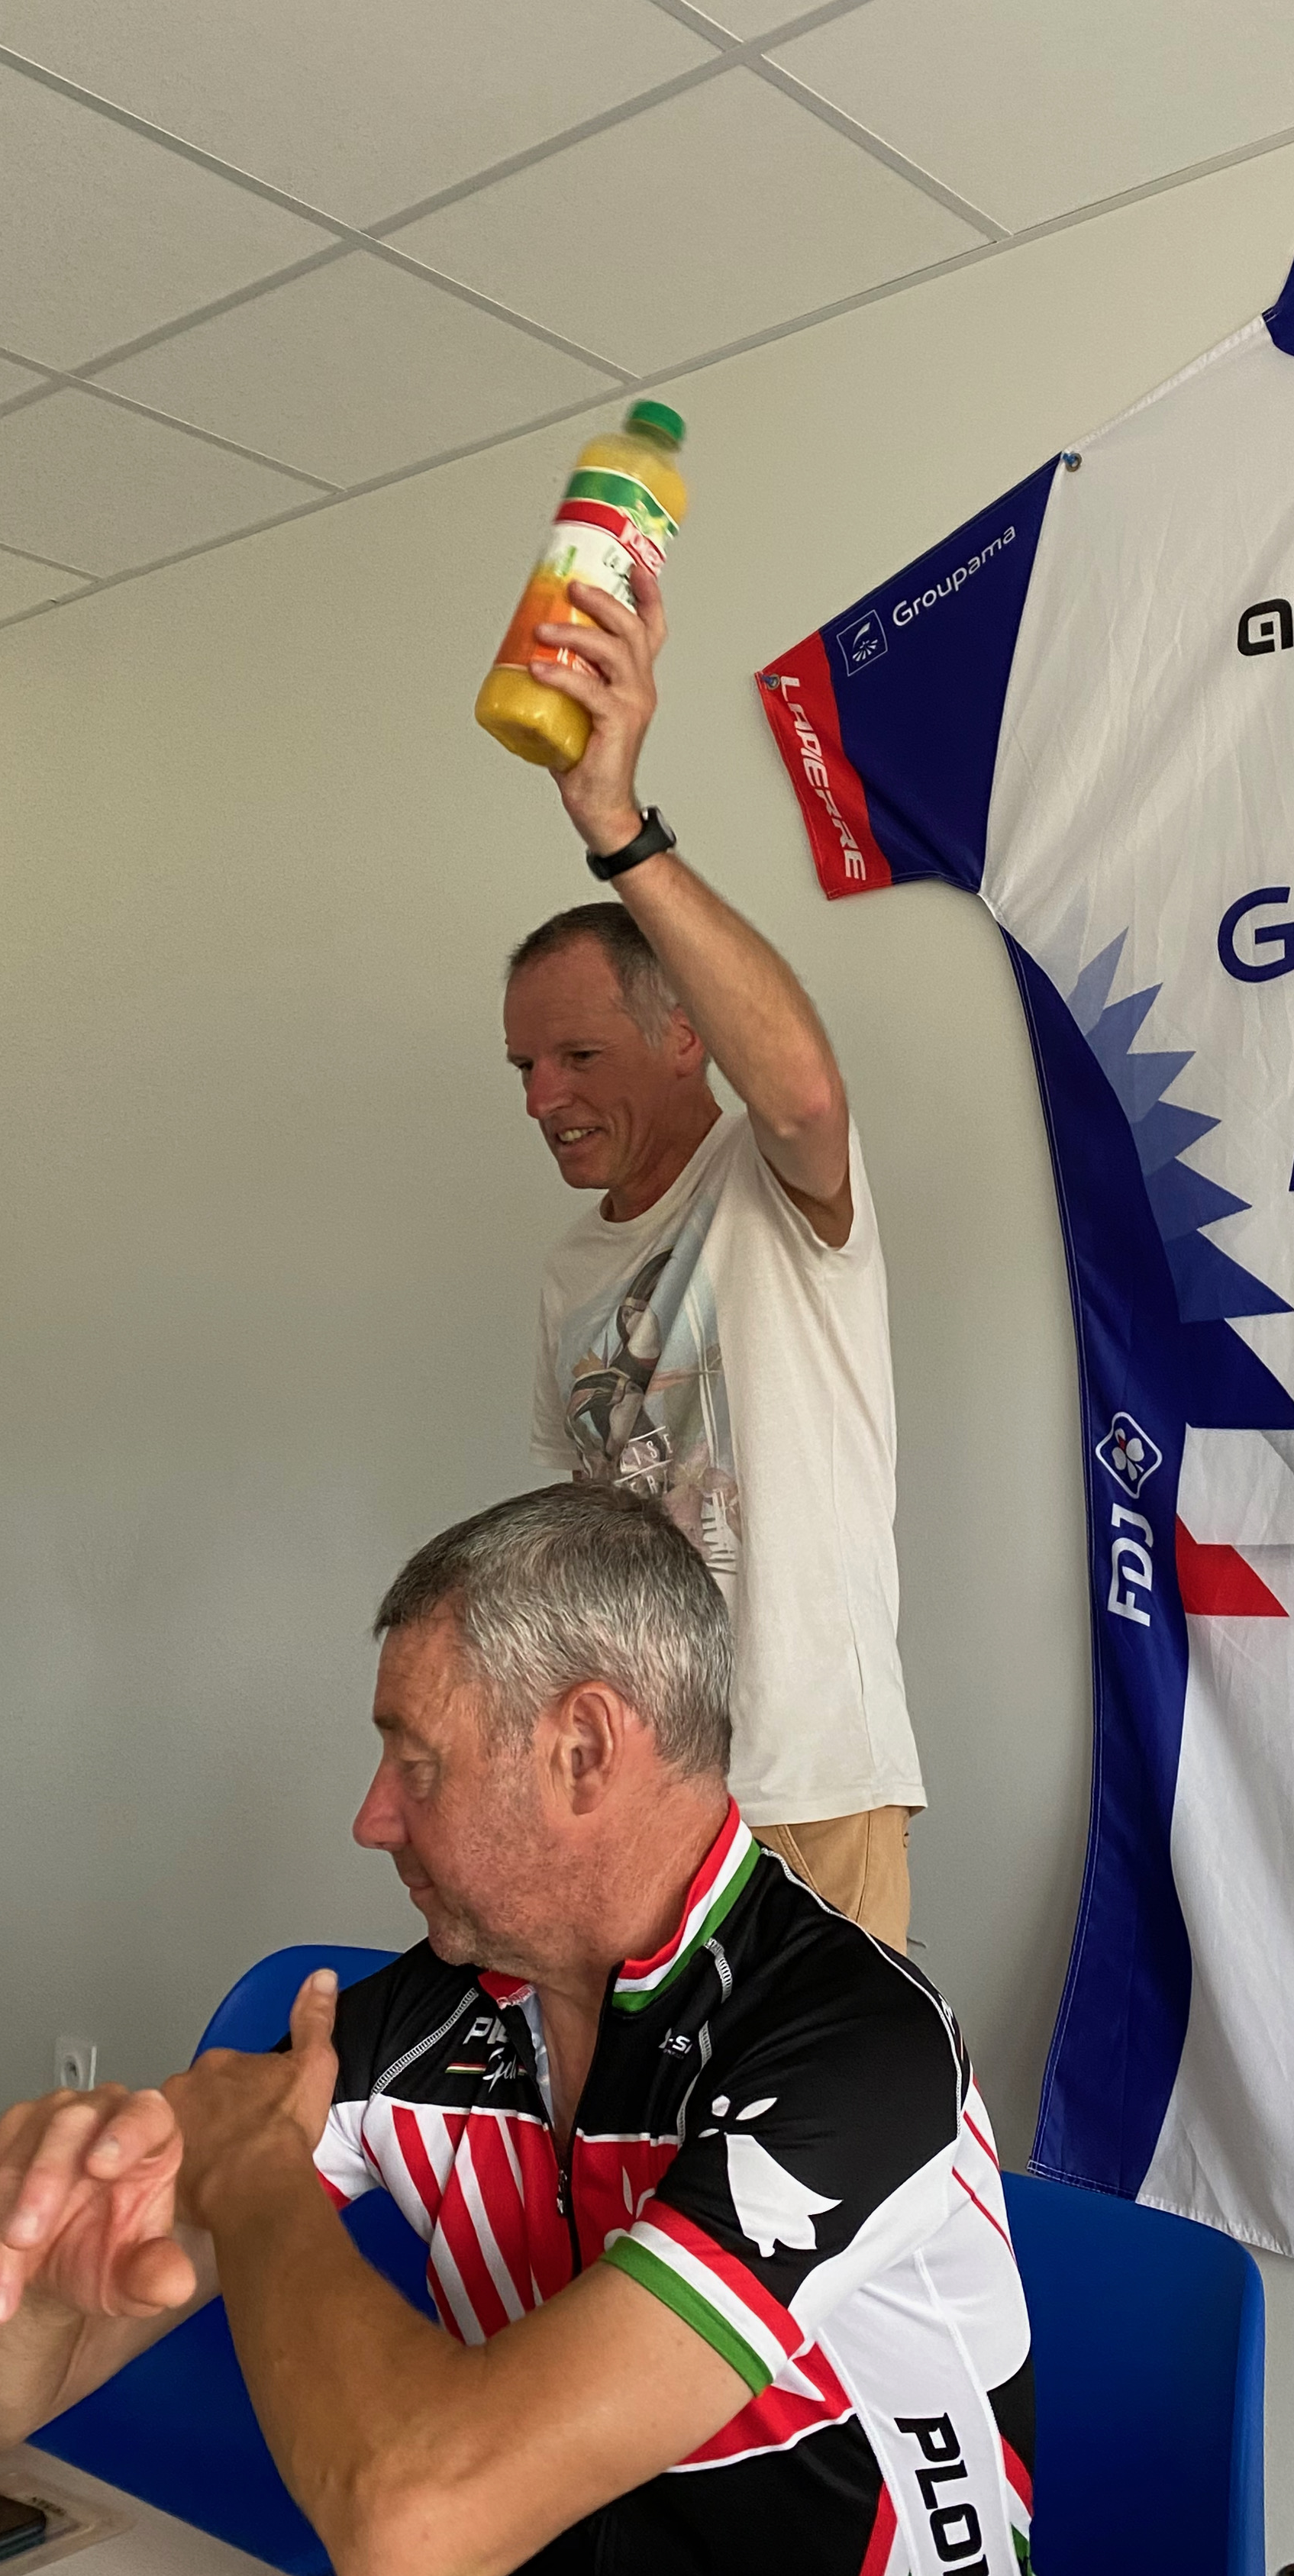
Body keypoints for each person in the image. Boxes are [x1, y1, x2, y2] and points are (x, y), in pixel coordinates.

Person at [0, 1488, 1034, 2576]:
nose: (371, 1819)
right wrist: (26, 2262)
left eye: (417, 1764)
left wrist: (252, 2171)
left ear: (583, 1749)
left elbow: (418, 2536)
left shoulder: (859, 2048)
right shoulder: (420, 2020)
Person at [503, 559, 922, 1951]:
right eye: (522, 1067)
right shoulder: (568, 1272)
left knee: (829, 2098)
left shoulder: (772, 1184)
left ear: (682, 1037)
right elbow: (582, 1534)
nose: (541, 1098)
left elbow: (801, 1091)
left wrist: (616, 827)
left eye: (577, 1055)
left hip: (805, 1787)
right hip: (639, 1798)